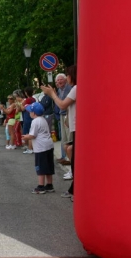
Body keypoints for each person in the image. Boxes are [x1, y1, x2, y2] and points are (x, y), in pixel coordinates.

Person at [41, 65, 77, 201]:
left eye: (67, 75)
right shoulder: (75, 88)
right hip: (74, 126)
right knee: (69, 149)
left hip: (77, 128)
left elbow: (62, 105)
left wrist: (52, 94)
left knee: (74, 157)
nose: (66, 79)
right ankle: (74, 188)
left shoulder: (75, 88)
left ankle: (75, 189)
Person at [22, 102, 55, 194]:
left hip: (41, 147)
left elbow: (33, 135)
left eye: (30, 111)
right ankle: (49, 185)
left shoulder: (35, 121)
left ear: (34, 113)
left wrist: (25, 137)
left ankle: (41, 186)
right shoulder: (43, 119)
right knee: (48, 166)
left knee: (40, 167)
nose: (29, 113)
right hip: (48, 145)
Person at [54, 73, 73, 166]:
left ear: (65, 80)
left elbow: (64, 104)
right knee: (64, 139)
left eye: (61, 79)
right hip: (62, 115)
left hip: (68, 115)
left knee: (69, 138)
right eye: (57, 80)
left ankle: (70, 160)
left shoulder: (69, 88)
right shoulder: (59, 90)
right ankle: (66, 157)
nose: (59, 82)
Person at [21, 87, 36, 154]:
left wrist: (21, 104)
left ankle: (29, 148)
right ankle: (32, 147)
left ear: (26, 93)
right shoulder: (34, 99)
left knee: (28, 133)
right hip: (33, 116)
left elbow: (23, 109)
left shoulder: (26, 100)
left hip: (27, 116)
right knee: (32, 132)